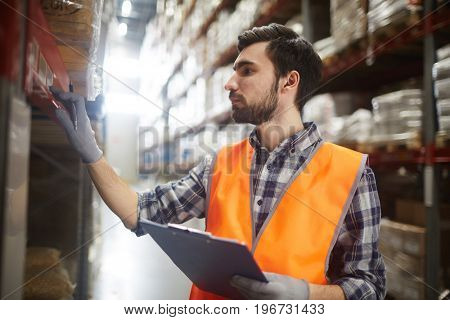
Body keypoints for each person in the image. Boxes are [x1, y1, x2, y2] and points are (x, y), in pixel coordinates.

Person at [51, 23, 386, 300]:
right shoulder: (222, 165)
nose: (229, 83)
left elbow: (368, 287)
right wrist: (92, 153)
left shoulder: (351, 173)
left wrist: (305, 294)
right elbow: (140, 212)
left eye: (247, 71)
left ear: (289, 81)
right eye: (232, 72)